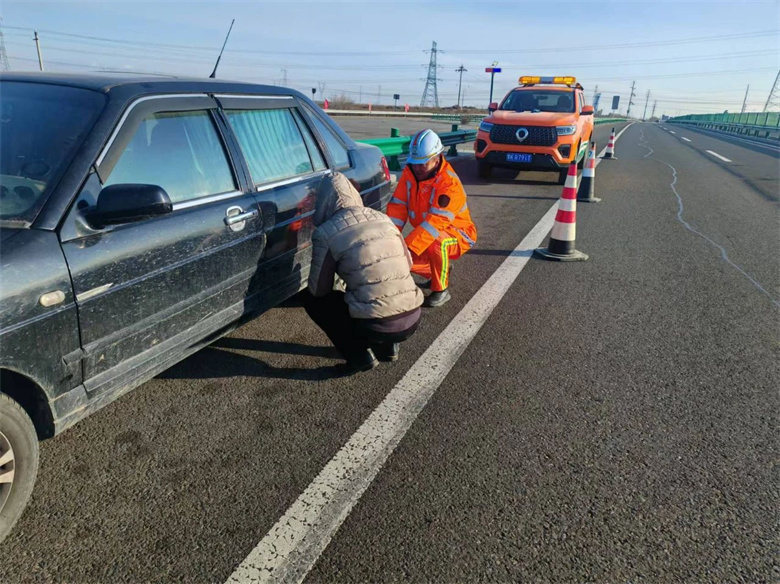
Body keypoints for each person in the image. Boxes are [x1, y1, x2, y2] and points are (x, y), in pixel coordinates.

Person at [306, 172, 424, 372]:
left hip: (376, 324)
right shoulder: (384, 219)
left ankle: (359, 356)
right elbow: (408, 263)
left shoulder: (326, 233)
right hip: (413, 316)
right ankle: (388, 349)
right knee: (384, 287)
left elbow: (319, 290)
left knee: (314, 301)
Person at [386, 129, 477, 307]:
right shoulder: (410, 174)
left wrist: (408, 248)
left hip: (460, 234)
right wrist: (390, 239)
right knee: (396, 257)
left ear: (437, 158)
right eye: (415, 163)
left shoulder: (449, 184)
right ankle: (439, 270)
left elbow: (435, 223)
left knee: (435, 244)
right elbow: (398, 207)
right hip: (429, 233)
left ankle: (440, 290)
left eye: (423, 163)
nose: (418, 168)